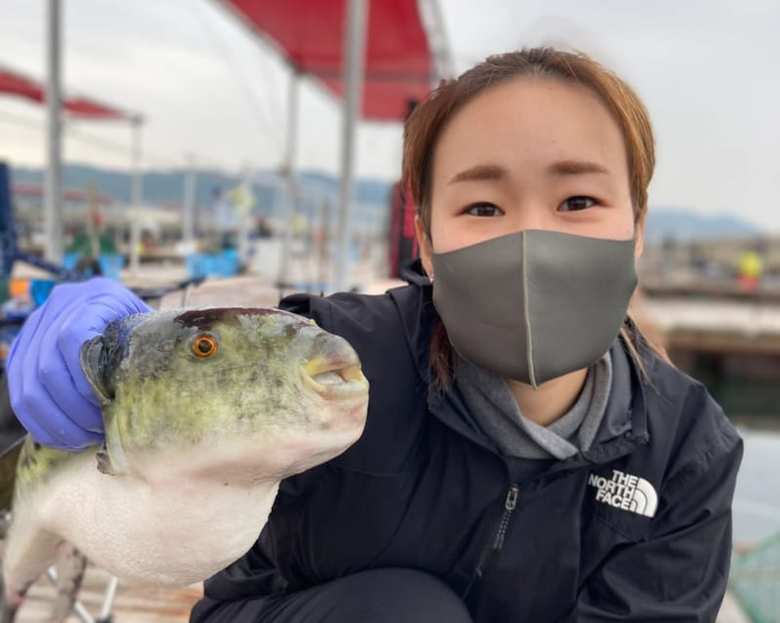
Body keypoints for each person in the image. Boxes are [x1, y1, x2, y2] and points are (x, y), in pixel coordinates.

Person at [6, 47, 743, 622]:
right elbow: (167, 388)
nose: (530, 238)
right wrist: (79, 362)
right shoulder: (337, 365)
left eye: (578, 199)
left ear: (637, 227)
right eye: (483, 205)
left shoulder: (684, 450)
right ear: (424, 239)